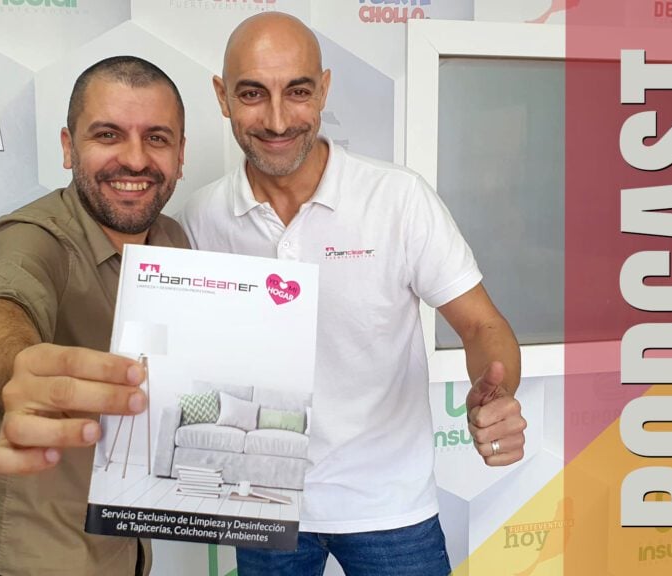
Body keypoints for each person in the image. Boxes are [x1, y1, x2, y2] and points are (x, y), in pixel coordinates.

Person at [179, 13, 526, 576]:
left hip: (389, 504)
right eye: (252, 93)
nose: (276, 119)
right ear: (222, 97)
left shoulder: (397, 199)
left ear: (324, 90)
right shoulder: (200, 217)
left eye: (297, 92)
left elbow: (481, 325)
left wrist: (497, 393)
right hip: (260, 500)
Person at [0, 56, 188, 576]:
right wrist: (17, 371)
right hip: (38, 556)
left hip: (129, 545)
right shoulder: (33, 236)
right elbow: (1, 304)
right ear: (68, 147)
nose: (135, 159)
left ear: (180, 154)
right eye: (108, 135)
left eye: (156, 138)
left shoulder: (173, 240)